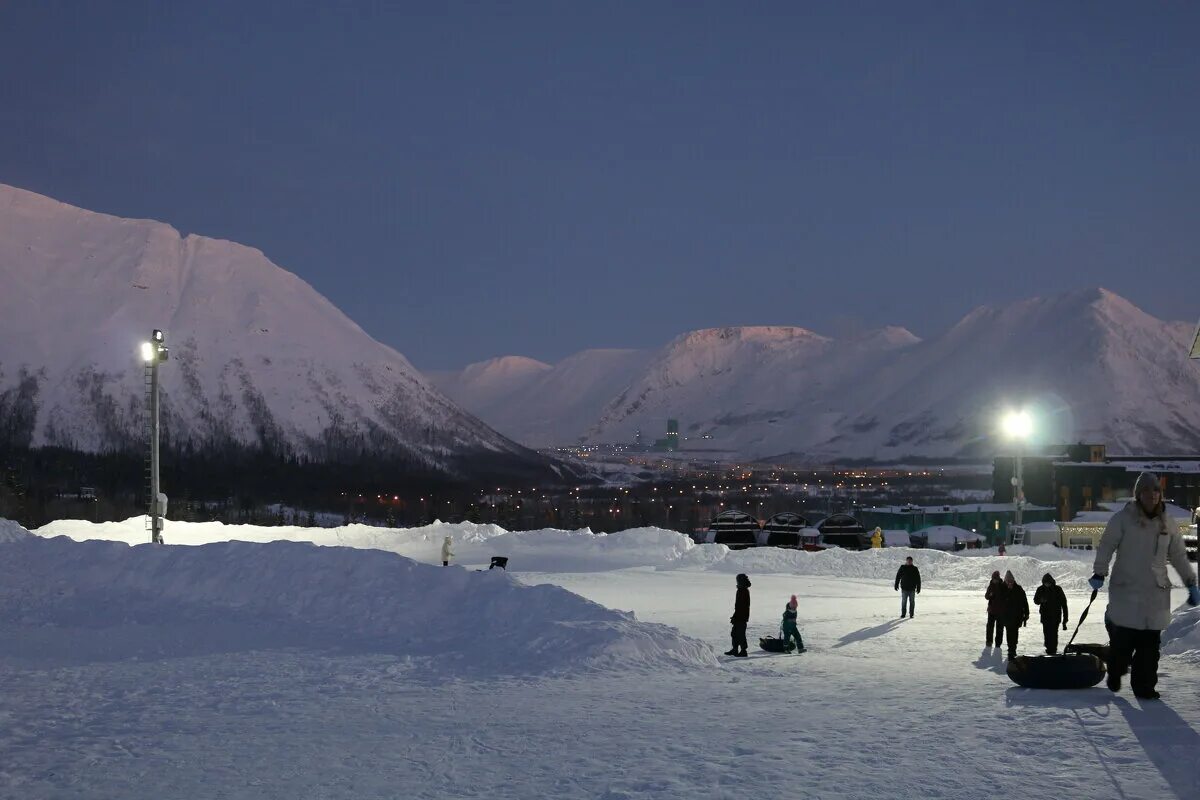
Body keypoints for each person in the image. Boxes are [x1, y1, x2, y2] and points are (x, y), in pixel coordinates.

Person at [1089, 471, 1200, 699]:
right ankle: (1115, 672)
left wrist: (1190, 582)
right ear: (1139, 494)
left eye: (1156, 490)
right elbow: (1106, 545)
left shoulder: (1167, 522)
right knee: (1123, 643)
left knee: (1149, 647)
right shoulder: (1122, 519)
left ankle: (1144, 687)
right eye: (1147, 491)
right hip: (1126, 591)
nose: (1153, 495)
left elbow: (1178, 554)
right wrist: (1099, 572)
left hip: (1155, 594)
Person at [1033, 573, 1069, 655]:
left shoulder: (1058, 589)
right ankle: (1048, 648)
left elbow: (1064, 604)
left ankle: (1053, 650)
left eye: (1048, 582)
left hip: (1055, 616)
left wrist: (1065, 618)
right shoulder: (1040, 589)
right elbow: (1035, 600)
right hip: (1045, 616)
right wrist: (1041, 600)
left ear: (1051, 582)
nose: (1047, 584)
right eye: (1045, 583)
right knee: (1046, 633)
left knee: (1054, 633)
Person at [1000, 570, 1029, 659]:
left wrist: (1026, 613)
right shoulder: (1002, 589)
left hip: (1017, 616)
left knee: (1015, 634)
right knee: (1009, 634)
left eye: (1011, 581)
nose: (1010, 583)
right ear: (1005, 581)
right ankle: (1010, 651)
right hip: (1007, 616)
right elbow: (998, 602)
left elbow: (1025, 602)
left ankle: (1013, 649)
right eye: (1008, 581)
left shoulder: (1019, 589)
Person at [726, 573, 752, 657]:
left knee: (740, 634)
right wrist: (735, 616)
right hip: (739, 615)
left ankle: (743, 651)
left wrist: (737, 616)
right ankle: (735, 649)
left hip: (742, 617)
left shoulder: (744, 591)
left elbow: (742, 606)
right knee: (734, 633)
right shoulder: (741, 590)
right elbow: (738, 606)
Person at [985, 570, 1006, 648]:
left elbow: (1005, 597)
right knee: (990, 627)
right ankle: (989, 641)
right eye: (993, 579)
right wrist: (990, 595)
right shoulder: (990, 586)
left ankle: (998, 643)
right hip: (991, 610)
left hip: (1000, 611)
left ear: (998, 578)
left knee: (1000, 628)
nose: (994, 580)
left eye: (996, 579)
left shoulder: (1003, 586)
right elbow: (986, 596)